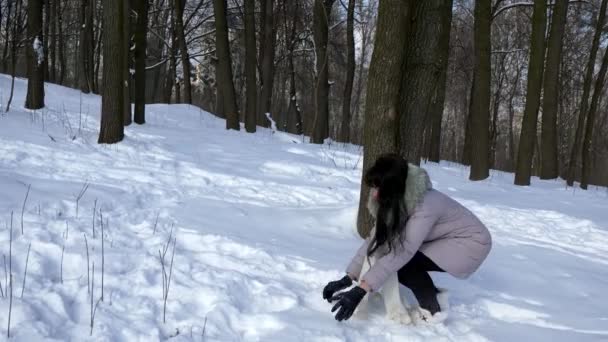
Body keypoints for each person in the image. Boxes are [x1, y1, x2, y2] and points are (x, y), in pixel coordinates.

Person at [323, 153, 492, 323]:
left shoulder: (425, 205)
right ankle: (434, 297)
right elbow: (374, 240)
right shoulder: (396, 199)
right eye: (373, 187)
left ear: (391, 188)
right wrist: (348, 277)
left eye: (378, 188)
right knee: (394, 257)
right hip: (446, 238)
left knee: (403, 263)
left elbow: (404, 251)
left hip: (470, 244)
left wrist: (361, 289)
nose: (374, 195)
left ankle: (432, 310)